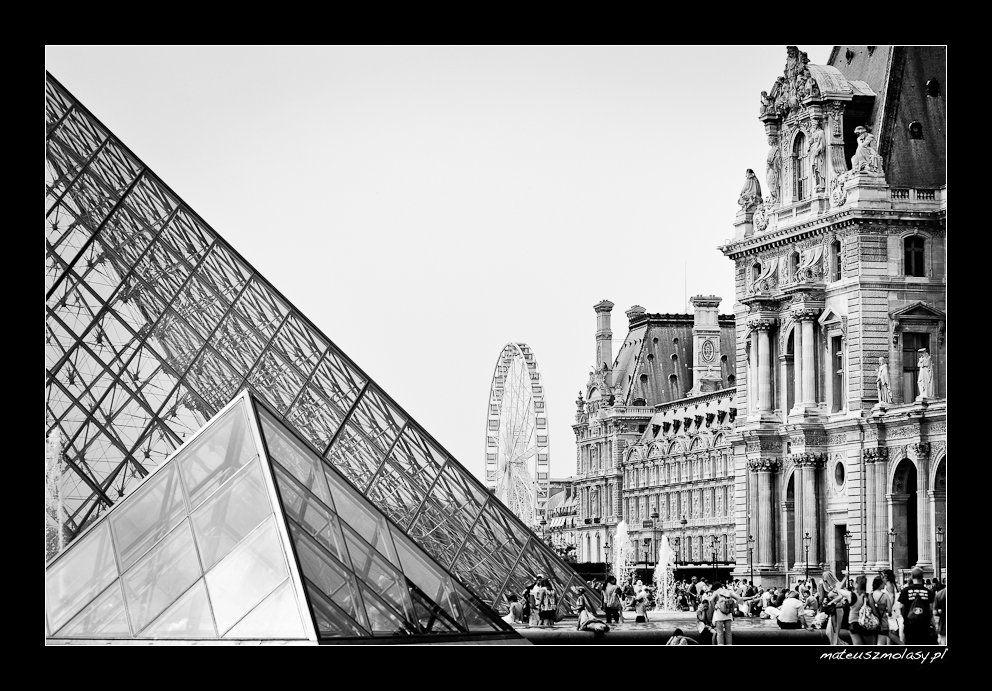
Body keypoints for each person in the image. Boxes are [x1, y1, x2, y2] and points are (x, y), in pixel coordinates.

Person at [710, 579, 757, 645]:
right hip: (728, 614)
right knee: (728, 632)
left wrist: (715, 607)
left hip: (719, 614)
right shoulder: (728, 591)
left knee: (720, 632)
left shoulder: (716, 592)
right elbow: (739, 599)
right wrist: (733, 606)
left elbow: (711, 600)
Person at [898, 567, 936, 644]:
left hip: (909, 624)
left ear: (911, 577)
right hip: (924, 625)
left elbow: (900, 607)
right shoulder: (928, 591)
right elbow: (931, 609)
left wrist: (904, 617)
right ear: (922, 577)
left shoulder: (905, 591)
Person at [821, 571, 852, 646]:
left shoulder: (836, 586)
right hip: (833, 609)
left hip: (838, 608)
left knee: (835, 629)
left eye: (826, 580)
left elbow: (840, 596)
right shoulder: (830, 587)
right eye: (824, 580)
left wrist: (831, 602)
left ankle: (836, 644)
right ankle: (838, 643)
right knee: (830, 630)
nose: (825, 581)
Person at [848, 575, 878, 645]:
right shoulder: (868, 596)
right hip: (866, 622)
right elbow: (873, 609)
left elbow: (839, 591)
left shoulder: (851, 595)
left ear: (856, 583)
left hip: (854, 621)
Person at [880, 569, 901, 644]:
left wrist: (889, 608)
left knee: (891, 630)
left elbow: (892, 596)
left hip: (892, 610)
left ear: (885, 576)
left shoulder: (888, 584)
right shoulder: (891, 584)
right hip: (894, 610)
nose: (881, 578)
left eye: (882, 576)